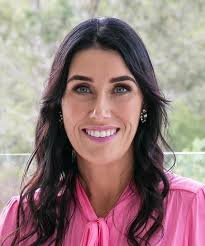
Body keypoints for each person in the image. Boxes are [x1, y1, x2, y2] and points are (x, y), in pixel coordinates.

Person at [0, 17, 205, 246]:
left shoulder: (193, 207)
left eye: (120, 89)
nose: (100, 112)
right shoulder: (20, 221)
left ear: (144, 104)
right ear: (59, 104)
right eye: (83, 88)